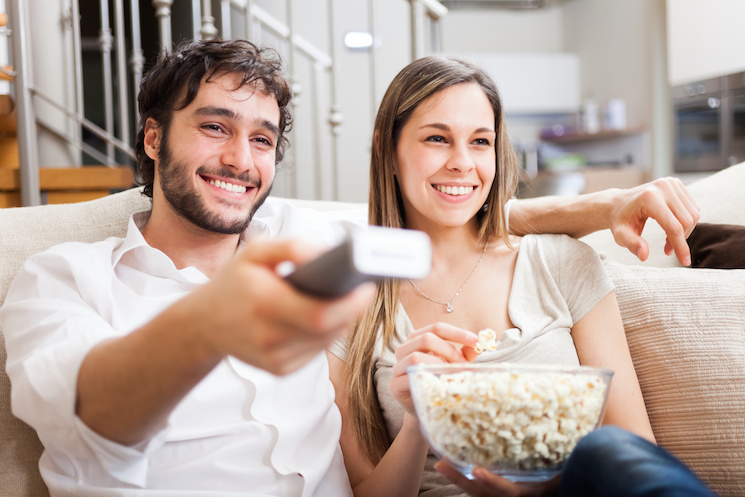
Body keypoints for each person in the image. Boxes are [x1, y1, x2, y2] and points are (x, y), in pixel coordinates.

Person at [1, 39, 698, 496]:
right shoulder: (61, 278)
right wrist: (211, 320)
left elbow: (448, 209)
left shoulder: (306, 239)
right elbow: (90, 413)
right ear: (153, 137)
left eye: (262, 138)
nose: (241, 159)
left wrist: (604, 204)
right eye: (214, 126)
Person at [327, 55, 714, 497]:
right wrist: (421, 417)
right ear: (386, 149)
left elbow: (633, 459)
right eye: (437, 138)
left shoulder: (562, 263)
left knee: (605, 452)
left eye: (479, 141)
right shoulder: (351, 298)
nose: (461, 162)